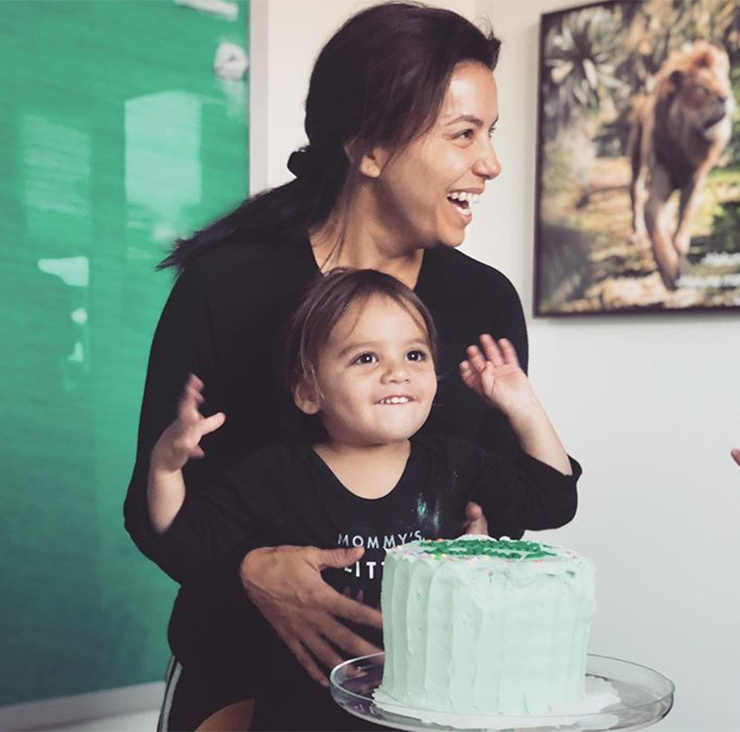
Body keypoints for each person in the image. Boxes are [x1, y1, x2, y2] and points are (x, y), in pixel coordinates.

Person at [124, 3, 532, 729]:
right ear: (369, 148)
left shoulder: (485, 303)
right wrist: (250, 570)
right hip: (240, 680)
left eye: (490, 133)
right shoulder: (229, 285)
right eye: (463, 133)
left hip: (420, 689)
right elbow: (155, 507)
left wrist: (483, 543)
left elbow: (505, 498)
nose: (490, 163)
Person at [147, 269, 580, 731]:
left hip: (424, 712)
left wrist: (525, 408)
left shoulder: (457, 465)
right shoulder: (274, 474)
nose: (397, 372)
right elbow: (188, 541)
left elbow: (552, 501)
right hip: (301, 714)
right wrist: (166, 469)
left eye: (414, 354)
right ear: (308, 391)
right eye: (366, 358)